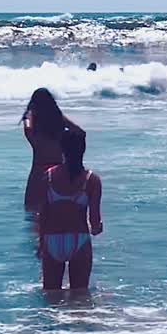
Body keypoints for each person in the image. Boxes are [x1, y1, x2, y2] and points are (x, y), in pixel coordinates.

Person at [38, 129, 103, 291]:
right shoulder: (92, 180)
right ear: (83, 149)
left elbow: (43, 215)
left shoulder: (49, 176)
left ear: (62, 149)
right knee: (79, 297)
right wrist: (98, 227)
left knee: (51, 296)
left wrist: (41, 244)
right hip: (79, 239)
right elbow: (95, 224)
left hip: (52, 240)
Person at [21, 88, 84, 212]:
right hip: (60, 169)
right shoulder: (59, 120)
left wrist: (28, 115)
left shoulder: (32, 126)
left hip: (39, 170)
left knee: (32, 209)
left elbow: (28, 129)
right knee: (61, 208)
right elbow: (80, 132)